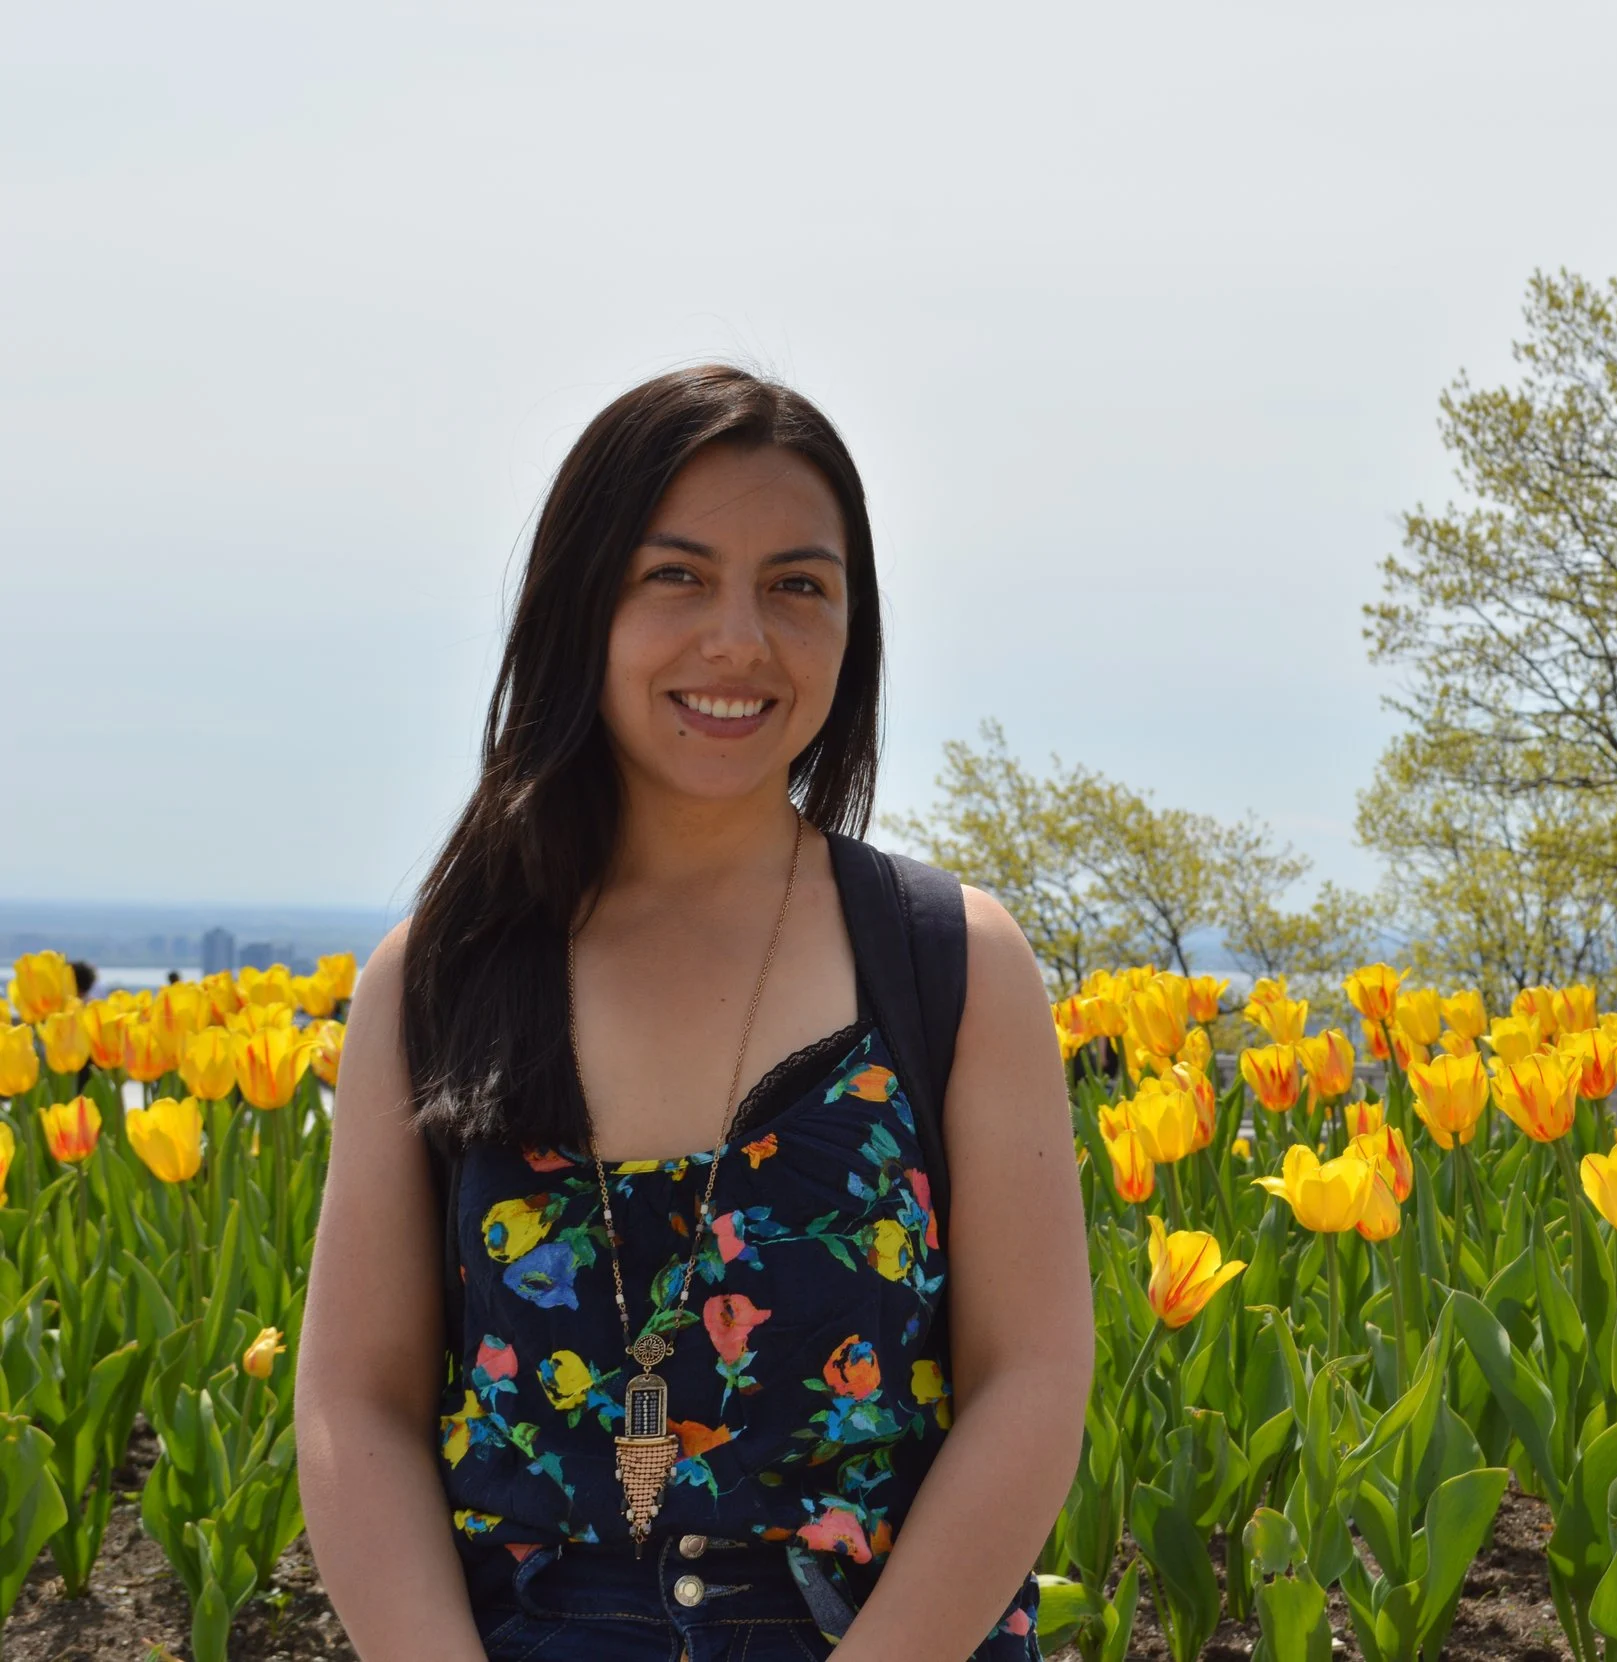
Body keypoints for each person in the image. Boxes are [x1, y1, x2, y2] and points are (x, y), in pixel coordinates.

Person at [296, 367, 1093, 1661]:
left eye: (798, 584)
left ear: (855, 624)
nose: (739, 639)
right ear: (581, 608)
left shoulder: (949, 963)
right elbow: (354, 1400)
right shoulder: (437, 977)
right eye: (676, 575)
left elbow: (1034, 1377)